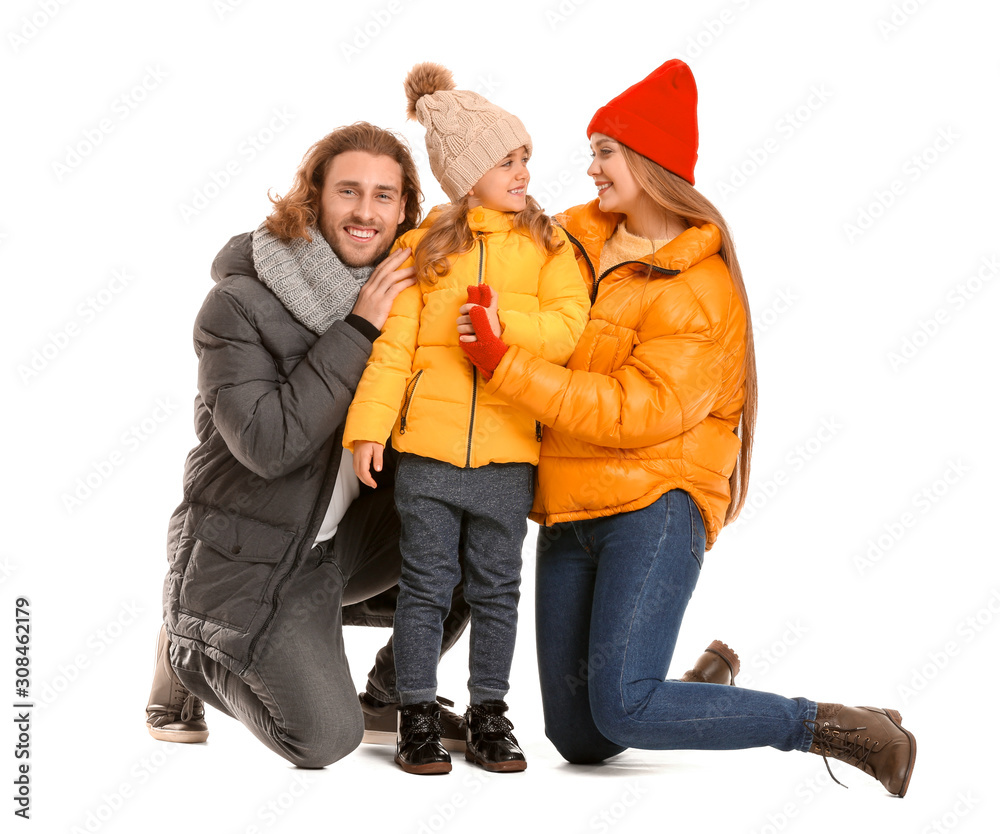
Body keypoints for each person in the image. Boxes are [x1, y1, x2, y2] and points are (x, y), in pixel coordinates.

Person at [457, 59, 917, 796]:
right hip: (571, 503)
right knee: (579, 738)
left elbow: (635, 413)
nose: (592, 167)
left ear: (648, 162)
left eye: (605, 150)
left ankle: (834, 726)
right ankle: (699, 686)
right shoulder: (572, 243)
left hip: (655, 504)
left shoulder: (699, 291)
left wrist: (505, 367)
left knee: (627, 708)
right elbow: (481, 223)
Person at [144, 122, 474, 767]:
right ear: (314, 199)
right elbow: (269, 445)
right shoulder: (237, 304)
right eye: (348, 191)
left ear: (406, 210)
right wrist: (356, 329)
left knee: (478, 512)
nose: (365, 212)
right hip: (253, 554)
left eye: (385, 196)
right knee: (323, 739)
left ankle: (387, 694)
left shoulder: (414, 302)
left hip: (340, 547)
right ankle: (191, 646)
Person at [342, 63, 591, 775]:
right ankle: (413, 712)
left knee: (494, 590)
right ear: (468, 172)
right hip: (428, 455)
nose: (522, 172)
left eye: (524, 160)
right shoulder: (423, 249)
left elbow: (569, 324)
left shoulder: (547, 245)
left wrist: (499, 320)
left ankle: (489, 713)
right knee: (423, 587)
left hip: (510, 455)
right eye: (506, 160)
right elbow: (391, 350)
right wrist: (369, 428)